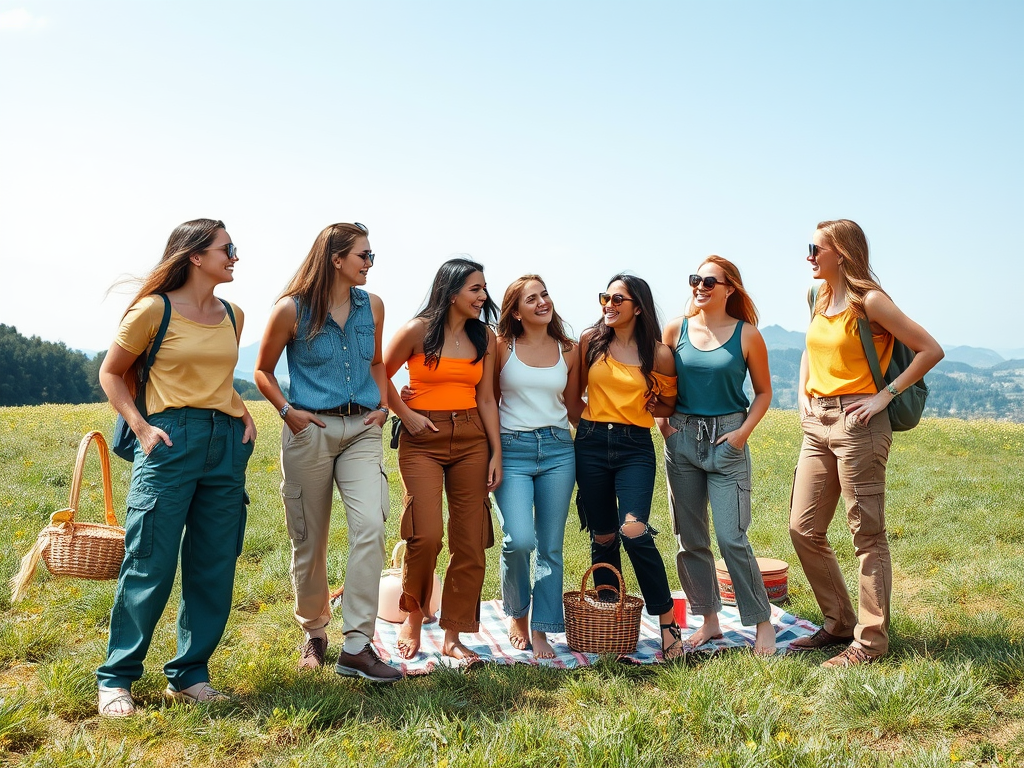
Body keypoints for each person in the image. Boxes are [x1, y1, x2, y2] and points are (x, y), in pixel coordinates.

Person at [96, 219, 256, 716]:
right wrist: (141, 428)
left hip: (226, 444)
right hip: (169, 442)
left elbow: (219, 377)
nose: (235, 256)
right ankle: (116, 678)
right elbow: (111, 372)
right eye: (227, 248)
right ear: (195, 256)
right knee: (149, 561)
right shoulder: (152, 310)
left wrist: (244, 412)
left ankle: (190, 674)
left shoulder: (234, 314)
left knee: (214, 562)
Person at [789, 219, 943, 667]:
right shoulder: (816, 296)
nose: (809, 256)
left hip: (860, 426)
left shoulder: (870, 301)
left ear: (842, 252)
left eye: (816, 249)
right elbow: (809, 349)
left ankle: (871, 642)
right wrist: (802, 394)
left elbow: (929, 349)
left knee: (867, 535)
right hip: (817, 423)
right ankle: (839, 623)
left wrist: (883, 396)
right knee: (803, 528)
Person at [254, 222, 400, 683]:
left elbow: (376, 362)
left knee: (371, 527)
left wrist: (382, 407)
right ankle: (315, 632)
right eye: (364, 256)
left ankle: (356, 645)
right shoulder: (290, 310)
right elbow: (263, 371)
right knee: (309, 540)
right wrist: (286, 412)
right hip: (309, 430)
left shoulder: (372, 305)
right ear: (336, 259)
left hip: (362, 428)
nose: (370, 263)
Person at [384, 258, 502, 663]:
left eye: (484, 288)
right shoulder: (417, 331)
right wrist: (407, 415)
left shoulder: (484, 336)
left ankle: (454, 634)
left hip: (472, 439)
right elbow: (379, 374)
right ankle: (413, 617)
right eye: (475, 289)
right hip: (423, 438)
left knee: (470, 540)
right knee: (426, 533)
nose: (483, 296)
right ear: (451, 292)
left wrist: (495, 452)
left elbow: (486, 397)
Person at [659, 257, 775, 655]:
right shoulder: (676, 329)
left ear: (730, 289)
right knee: (690, 538)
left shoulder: (747, 335)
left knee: (732, 538)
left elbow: (763, 393)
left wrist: (742, 434)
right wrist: (665, 428)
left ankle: (762, 623)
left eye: (710, 280)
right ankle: (709, 622)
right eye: (696, 279)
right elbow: (660, 385)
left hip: (728, 440)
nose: (700, 286)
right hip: (682, 439)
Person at [575, 274, 683, 661]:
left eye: (617, 298)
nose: (608, 303)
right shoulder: (590, 341)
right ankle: (608, 618)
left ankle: (668, 622)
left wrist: (657, 407)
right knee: (603, 536)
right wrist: (586, 430)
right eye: (605, 296)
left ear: (638, 306)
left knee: (634, 530)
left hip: (635, 446)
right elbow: (573, 398)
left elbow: (669, 404)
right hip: (589, 443)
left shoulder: (659, 354)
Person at [492, 275, 583, 658]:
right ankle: (517, 613)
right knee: (519, 540)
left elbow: (576, 407)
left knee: (550, 547)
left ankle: (543, 629)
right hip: (512, 450)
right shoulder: (500, 347)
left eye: (544, 294)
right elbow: (485, 400)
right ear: (515, 310)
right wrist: (493, 453)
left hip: (560, 451)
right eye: (532, 298)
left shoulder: (570, 350)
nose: (543, 302)